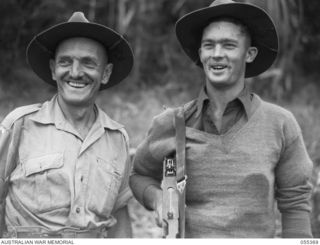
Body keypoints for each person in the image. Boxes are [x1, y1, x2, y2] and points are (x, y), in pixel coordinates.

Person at [129, 0, 313, 238]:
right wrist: (158, 199)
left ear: (249, 54)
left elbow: (295, 203)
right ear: (201, 54)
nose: (217, 54)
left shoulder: (280, 124)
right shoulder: (173, 123)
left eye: (228, 45)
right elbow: (139, 175)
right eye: (209, 45)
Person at [0, 12, 134, 238]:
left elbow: (119, 218)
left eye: (88, 63)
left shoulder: (117, 139)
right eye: (65, 62)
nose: (75, 72)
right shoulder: (20, 125)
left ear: (106, 73)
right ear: (53, 69)